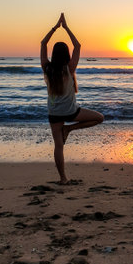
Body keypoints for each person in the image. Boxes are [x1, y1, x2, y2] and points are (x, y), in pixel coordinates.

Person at [40, 13, 104, 184]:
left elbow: (43, 43)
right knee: (100, 118)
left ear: (54, 54)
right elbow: (78, 45)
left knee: (58, 146)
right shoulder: (70, 68)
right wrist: (66, 27)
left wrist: (55, 27)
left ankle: (63, 179)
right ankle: (70, 129)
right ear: (66, 54)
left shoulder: (47, 68)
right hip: (70, 112)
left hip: (54, 113)